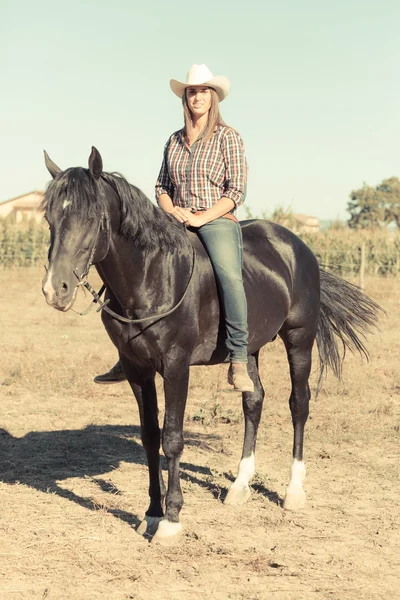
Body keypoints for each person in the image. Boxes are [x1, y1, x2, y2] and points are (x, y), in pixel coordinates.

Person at [94, 64, 254, 393]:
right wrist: (172, 211)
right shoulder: (174, 141)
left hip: (215, 220)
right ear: (185, 98)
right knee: (133, 270)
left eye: (203, 91)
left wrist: (200, 217)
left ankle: (238, 357)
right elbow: (162, 186)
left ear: (213, 98)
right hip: (174, 220)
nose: (197, 97)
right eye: (192, 91)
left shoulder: (228, 137)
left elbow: (235, 191)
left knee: (229, 276)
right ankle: (128, 352)